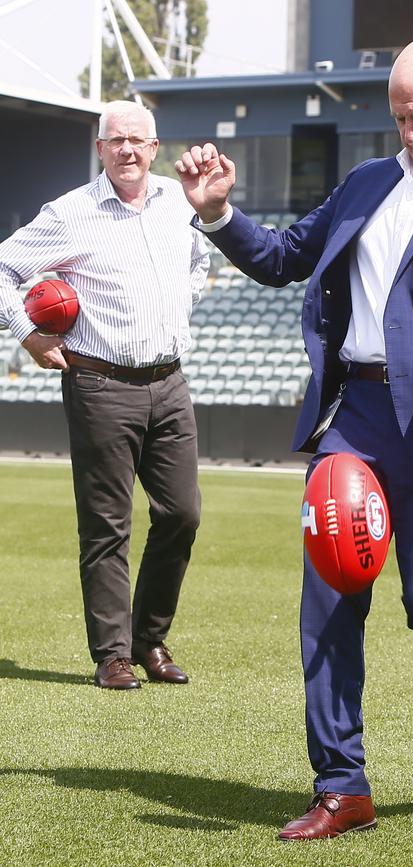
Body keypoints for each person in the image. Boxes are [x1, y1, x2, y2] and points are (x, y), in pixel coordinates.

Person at [176, 36, 413, 839]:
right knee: (331, 596)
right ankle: (341, 785)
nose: (412, 133)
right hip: (358, 418)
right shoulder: (368, 182)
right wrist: (216, 213)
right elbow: (283, 259)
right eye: (400, 119)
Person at [0, 100, 209, 690]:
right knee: (107, 525)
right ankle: (114, 654)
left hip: (169, 381)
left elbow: (198, 261)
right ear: (100, 149)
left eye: (138, 140)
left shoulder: (176, 201)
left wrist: (182, 304)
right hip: (99, 383)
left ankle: (149, 639)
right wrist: (29, 335)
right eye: (116, 140)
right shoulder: (70, 212)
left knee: (183, 515)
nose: (127, 150)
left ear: (155, 145)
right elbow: (2, 267)